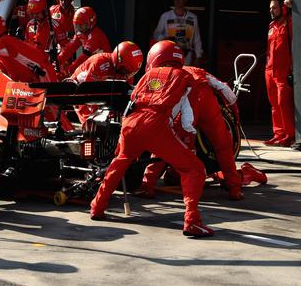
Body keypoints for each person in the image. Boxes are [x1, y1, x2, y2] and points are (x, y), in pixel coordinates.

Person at [90, 40, 213, 238]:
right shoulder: (184, 75)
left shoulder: (146, 76)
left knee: (120, 162)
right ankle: (192, 221)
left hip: (130, 122)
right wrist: (188, 137)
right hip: (155, 123)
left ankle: (97, 206)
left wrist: (122, 140)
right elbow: (188, 112)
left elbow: (131, 105)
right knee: (194, 169)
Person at [136, 64, 245, 201]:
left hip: (188, 106)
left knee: (166, 142)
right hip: (209, 104)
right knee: (223, 145)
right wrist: (236, 117)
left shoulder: (166, 75)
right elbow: (224, 88)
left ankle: (147, 185)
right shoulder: (196, 70)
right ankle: (234, 189)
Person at [0, 14, 57, 82]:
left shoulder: (3, 43)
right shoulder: (4, 46)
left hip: (43, 77)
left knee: (52, 107)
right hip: (37, 77)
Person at [70, 41, 144, 123]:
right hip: (80, 90)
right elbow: (89, 92)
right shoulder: (99, 63)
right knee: (91, 124)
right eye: (126, 71)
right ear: (118, 60)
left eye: (132, 73)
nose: (128, 76)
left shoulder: (127, 70)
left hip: (101, 92)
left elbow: (126, 95)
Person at [265, 0, 295, 147]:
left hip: (283, 69)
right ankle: (278, 134)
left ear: (281, 8)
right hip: (270, 69)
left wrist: (285, 5)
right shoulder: (271, 26)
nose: (271, 10)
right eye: (270, 8)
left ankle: (290, 135)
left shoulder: (288, 22)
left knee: (284, 103)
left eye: (274, 7)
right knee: (274, 104)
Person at [152, 0, 203, 66]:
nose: (177, 1)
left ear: (185, 0)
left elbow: (197, 39)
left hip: (186, 53)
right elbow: (156, 34)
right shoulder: (165, 16)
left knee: (183, 76)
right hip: (169, 52)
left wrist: (198, 56)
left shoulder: (193, 17)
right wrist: (165, 38)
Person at [58, 6, 111, 76]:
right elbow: (69, 48)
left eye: (81, 25)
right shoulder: (82, 33)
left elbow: (84, 57)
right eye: (76, 25)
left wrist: (68, 70)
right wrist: (58, 60)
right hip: (93, 64)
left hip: (104, 68)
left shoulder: (96, 36)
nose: (78, 28)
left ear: (90, 23)